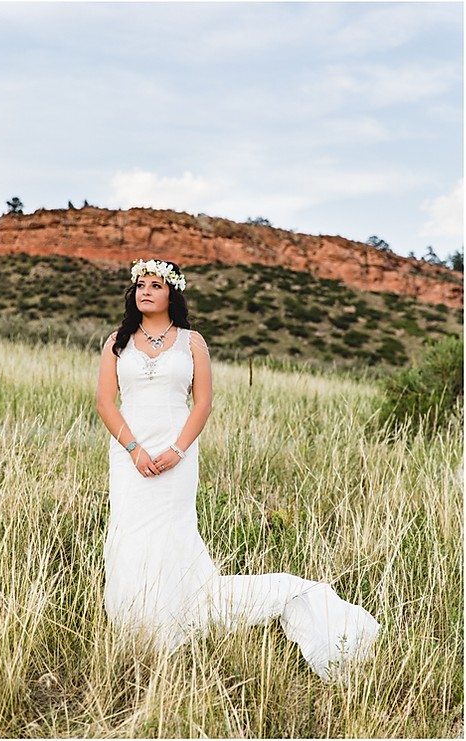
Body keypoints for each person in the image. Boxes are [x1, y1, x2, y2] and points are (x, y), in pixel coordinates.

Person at [96, 259, 380, 681]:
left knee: (172, 531)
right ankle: (135, 624)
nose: (146, 292)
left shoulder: (192, 342)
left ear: (172, 292)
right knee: (130, 530)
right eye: (140, 285)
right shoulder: (116, 342)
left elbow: (203, 403)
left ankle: (175, 617)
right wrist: (134, 449)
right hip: (129, 454)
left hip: (177, 454)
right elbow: (105, 402)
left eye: (155, 285)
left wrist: (176, 450)